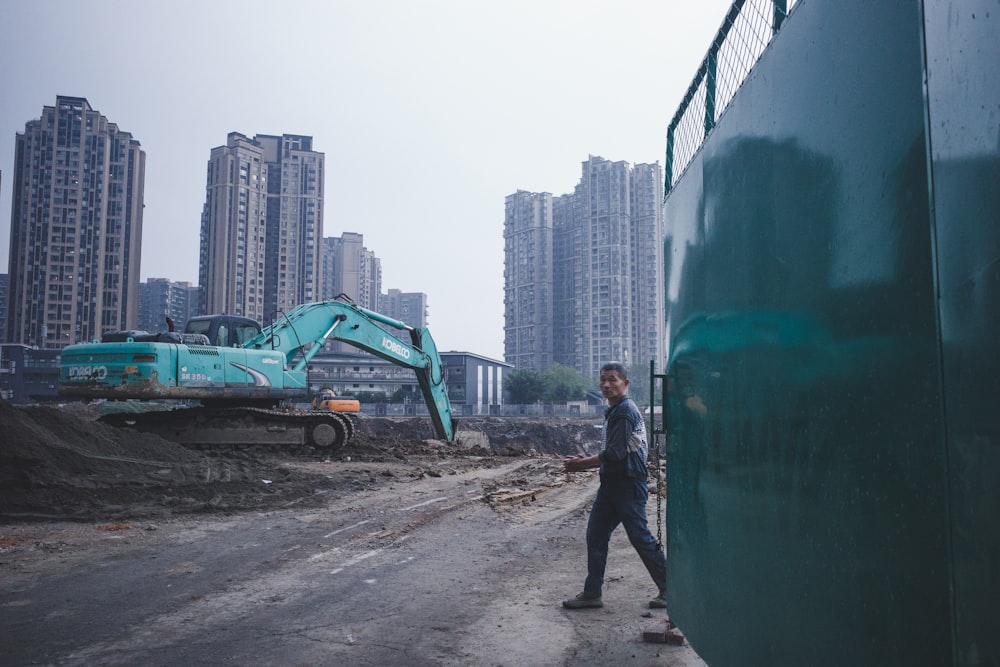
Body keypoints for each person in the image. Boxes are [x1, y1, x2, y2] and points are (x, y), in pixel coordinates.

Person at [562, 362, 667, 610]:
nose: (606, 385)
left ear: (625, 383)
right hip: (612, 484)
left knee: (640, 537)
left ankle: (669, 588)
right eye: (602, 380)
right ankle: (592, 593)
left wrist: (582, 464)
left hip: (627, 483)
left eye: (612, 380)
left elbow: (616, 453)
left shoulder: (624, 411)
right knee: (596, 535)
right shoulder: (615, 410)